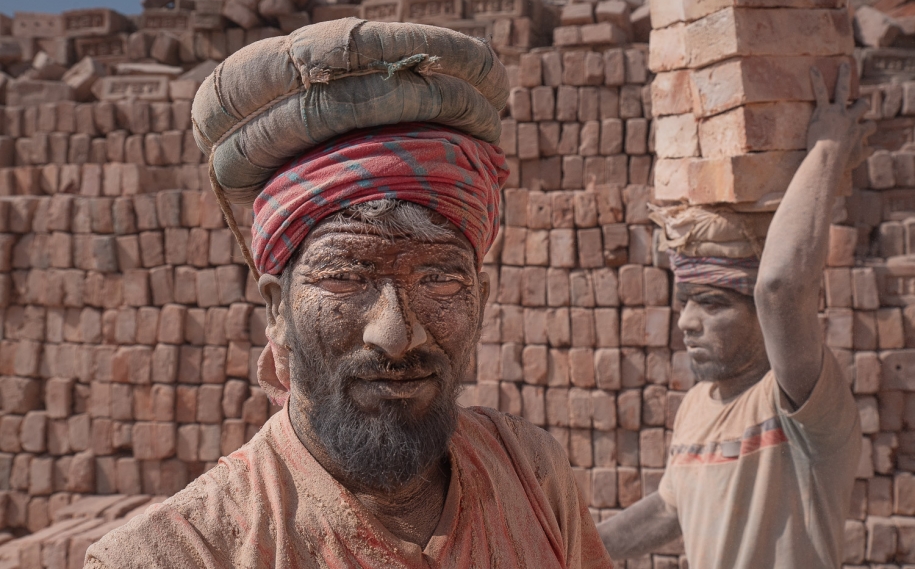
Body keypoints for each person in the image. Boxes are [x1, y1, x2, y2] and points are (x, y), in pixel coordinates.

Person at [84, 122, 613, 568]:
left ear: (482, 301)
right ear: (277, 310)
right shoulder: (178, 553)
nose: (396, 334)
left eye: (441, 283)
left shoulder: (530, 469)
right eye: (344, 279)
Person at [596, 64, 873, 568]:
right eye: (685, 302)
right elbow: (671, 507)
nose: (687, 322)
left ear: (761, 317)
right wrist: (566, 548)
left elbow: (781, 286)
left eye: (714, 302)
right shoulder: (698, 405)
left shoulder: (801, 402)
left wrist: (826, 149)